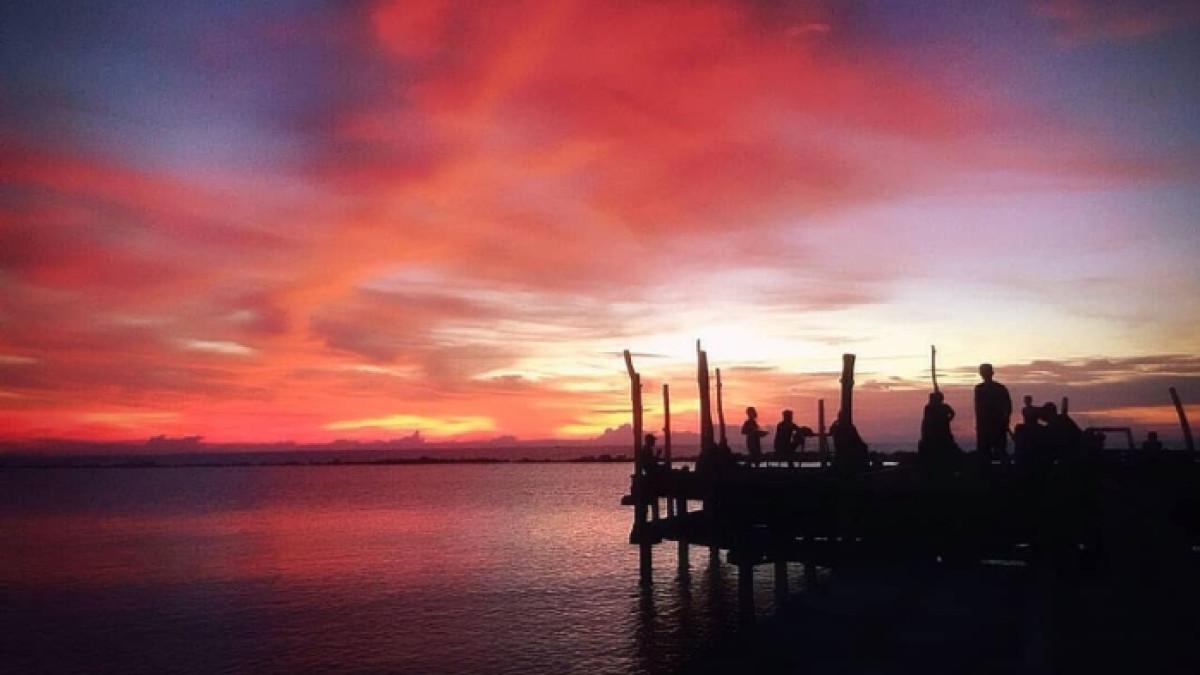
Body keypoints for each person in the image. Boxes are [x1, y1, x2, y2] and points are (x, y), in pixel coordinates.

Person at [974, 363, 1012, 468]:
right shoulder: (979, 389)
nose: (984, 374)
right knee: (984, 453)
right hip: (985, 426)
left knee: (999, 451)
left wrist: (1005, 421)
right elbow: (978, 409)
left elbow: (1008, 406)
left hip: (996, 425)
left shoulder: (999, 388)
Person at [919, 391, 960, 475]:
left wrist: (947, 420)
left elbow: (952, 413)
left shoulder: (944, 407)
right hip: (933, 434)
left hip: (943, 434)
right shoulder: (929, 408)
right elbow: (926, 421)